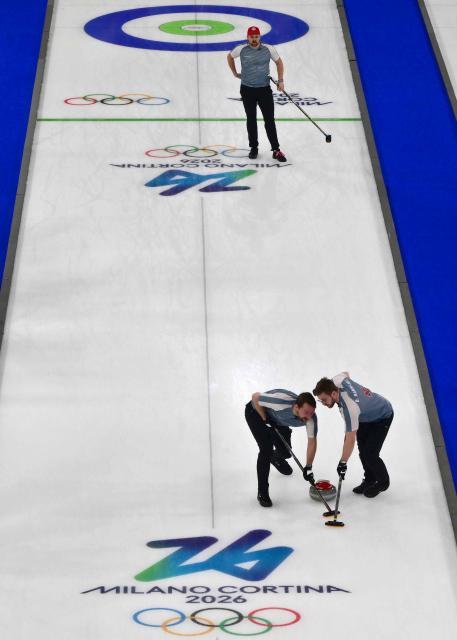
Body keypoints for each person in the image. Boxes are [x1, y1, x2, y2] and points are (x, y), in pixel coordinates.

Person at [313, 372, 394, 498]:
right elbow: (345, 373)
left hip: (382, 415)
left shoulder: (350, 409)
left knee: (370, 453)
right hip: (363, 417)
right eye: (320, 400)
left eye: (324, 400)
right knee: (363, 451)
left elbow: (350, 439)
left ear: (334, 393)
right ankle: (369, 479)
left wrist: (343, 462)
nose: (323, 403)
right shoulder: (337, 380)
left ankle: (383, 482)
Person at [245, 389, 318, 507]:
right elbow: (255, 397)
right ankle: (262, 492)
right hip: (257, 412)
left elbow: (312, 442)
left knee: (286, 453)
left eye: (312, 412)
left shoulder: (310, 419)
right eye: (306, 412)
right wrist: (264, 418)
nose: (309, 416)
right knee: (266, 450)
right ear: (296, 407)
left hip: (277, 420)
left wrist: (308, 466)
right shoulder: (280, 402)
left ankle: (274, 458)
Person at [227, 26, 287, 162]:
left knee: (269, 120)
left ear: (259, 37)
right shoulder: (241, 49)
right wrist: (235, 73)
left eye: (256, 37)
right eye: (252, 37)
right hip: (247, 90)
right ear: (247, 37)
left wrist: (281, 80)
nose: (254, 39)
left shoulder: (268, 49)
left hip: (264, 89)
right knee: (251, 120)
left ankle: (276, 150)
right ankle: (254, 147)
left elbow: (279, 63)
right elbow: (230, 57)